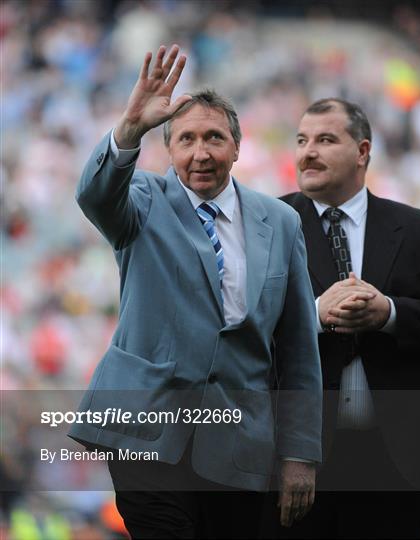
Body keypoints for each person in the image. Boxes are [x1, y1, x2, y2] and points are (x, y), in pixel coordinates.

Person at [69, 45, 322, 539]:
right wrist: (129, 128)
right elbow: (94, 194)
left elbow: (298, 351)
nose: (200, 152)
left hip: (238, 443)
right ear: (168, 148)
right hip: (146, 428)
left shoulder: (281, 222)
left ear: (236, 147)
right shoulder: (140, 200)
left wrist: (300, 454)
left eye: (213, 138)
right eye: (185, 139)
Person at [275, 98, 420, 539]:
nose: (308, 152)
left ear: (362, 151)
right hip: (300, 457)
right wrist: (316, 315)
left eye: (325, 139)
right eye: (301, 140)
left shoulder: (419, 229)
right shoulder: (268, 224)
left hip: (398, 460)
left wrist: (389, 313)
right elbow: (242, 327)